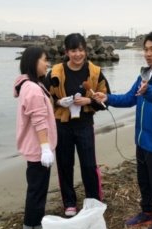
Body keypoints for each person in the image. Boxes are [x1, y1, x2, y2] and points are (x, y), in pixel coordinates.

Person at [93, 31, 152, 229]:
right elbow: (129, 98)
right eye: (146, 49)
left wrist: (148, 90)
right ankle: (147, 213)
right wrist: (107, 97)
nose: (147, 54)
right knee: (144, 180)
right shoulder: (144, 74)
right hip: (141, 139)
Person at [46, 33, 110, 217]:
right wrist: (59, 103)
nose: (78, 54)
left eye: (81, 50)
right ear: (66, 52)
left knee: (89, 165)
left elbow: (105, 100)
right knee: (64, 164)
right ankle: (69, 203)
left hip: (84, 124)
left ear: (86, 51)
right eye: (73, 50)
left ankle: (94, 200)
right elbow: (46, 97)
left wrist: (88, 101)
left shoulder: (95, 72)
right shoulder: (56, 71)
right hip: (62, 124)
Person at [13, 47, 57, 229]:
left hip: (36, 147)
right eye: (44, 60)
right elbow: (39, 120)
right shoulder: (32, 88)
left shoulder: (30, 84)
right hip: (38, 148)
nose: (47, 64)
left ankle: (33, 223)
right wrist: (45, 148)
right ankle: (32, 228)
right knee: (37, 188)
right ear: (33, 62)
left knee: (36, 186)